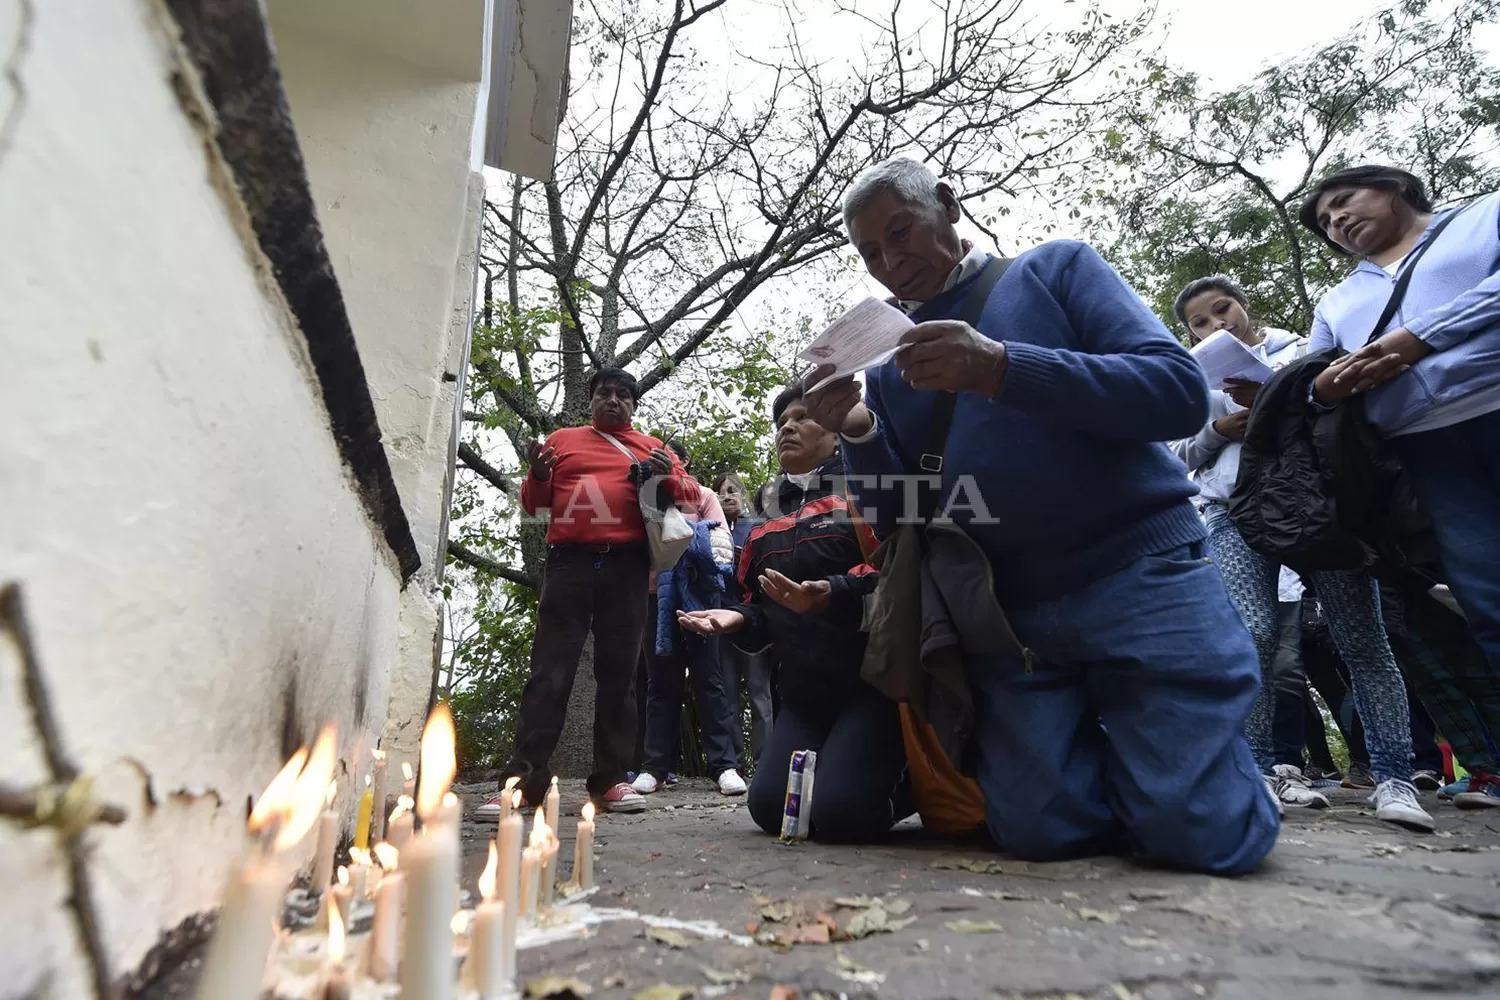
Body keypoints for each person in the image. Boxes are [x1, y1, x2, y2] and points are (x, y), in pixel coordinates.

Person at [804, 156, 1279, 873]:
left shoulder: (1056, 270)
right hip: (1008, 613)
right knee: (1040, 832)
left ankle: (1189, 789)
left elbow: (1179, 393)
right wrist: (860, 431)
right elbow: (900, 510)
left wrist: (1002, 369)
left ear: (947, 202)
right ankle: (1154, 782)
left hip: (1140, 575)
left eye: (900, 233)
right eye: (871, 253)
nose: (891, 262)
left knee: (1205, 838)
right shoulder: (893, 364)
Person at [1169, 275, 1431, 828]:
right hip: (1234, 510)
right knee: (1254, 634)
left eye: (1224, 310)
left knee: (1362, 637)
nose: (1218, 325)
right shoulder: (1193, 378)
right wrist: (1219, 428)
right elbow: (1179, 455)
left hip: (1320, 505)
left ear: (1245, 307)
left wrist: (1271, 398)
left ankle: (1394, 777)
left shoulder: (1303, 350)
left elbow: (1347, 414)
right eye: (1201, 321)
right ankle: (1258, 769)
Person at [1299, 164, 1500, 808]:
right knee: (1486, 600)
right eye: (1326, 221)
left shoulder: (1480, 221)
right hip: (1423, 453)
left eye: (1344, 201)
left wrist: (1421, 337)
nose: (1337, 221)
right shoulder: (1338, 301)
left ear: (1393, 188)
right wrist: (1320, 386)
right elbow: (1316, 378)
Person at [678, 384, 911, 842]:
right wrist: (738, 620)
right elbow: (760, 606)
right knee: (771, 809)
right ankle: (848, 774)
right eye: (781, 421)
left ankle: (914, 785)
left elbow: (897, 573)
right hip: (805, 695)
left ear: (834, 427)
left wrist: (831, 592)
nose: (788, 426)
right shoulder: (763, 519)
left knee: (840, 814)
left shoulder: (866, 489)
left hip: (872, 685)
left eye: (803, 417)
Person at [486, 367, 691, 815]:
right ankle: (521, 782)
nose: (613, 400)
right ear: (591, 400)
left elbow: (690, 496)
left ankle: (612, 780)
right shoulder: (562, 440)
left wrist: (667, 477)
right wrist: (538, 476)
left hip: (628, 566)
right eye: (604, 393)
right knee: (548, 673)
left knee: (620, 676)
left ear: (634, 406)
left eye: (622, 395)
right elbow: (534, 505)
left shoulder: (652, 448)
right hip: (569, 565)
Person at [633, 443, 747, 797]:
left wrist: (679, 541)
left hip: (701, 599)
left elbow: (722, 545)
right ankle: (654, 768)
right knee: (660, 682)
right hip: (654, 596)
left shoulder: (705, 496)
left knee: (708, 679)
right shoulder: (643, 497)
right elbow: (637, 545)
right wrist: (690, 535)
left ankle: (724, 766)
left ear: (681, 464)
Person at [714, 472, 776, 765]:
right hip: (722, 623)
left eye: (732, 491)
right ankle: (733, 764)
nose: (727, 496)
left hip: (751, 621)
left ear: (742, 494)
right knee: (727, 698)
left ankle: (764, 764)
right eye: (721, 492)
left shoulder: (758, 527)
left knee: (760, 695)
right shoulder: (711, 529)